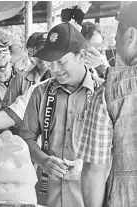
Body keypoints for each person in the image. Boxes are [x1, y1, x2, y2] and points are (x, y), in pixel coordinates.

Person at [19, 22, 104, 207]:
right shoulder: (40, 93)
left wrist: (88, 167)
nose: (54, 69)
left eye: (61, 61)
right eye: (51, 62)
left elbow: (119, 149)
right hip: (48, 197)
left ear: (81, 56)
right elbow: (26, 138)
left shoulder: (104, 94)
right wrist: (43, 160)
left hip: (89, 198)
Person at [77, 2, 137, 207]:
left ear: (131, 36)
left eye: (116, 38)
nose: (116, 46)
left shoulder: (108, 90)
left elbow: (95, 169)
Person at [2, 32, 52, 110]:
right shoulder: (20, 80)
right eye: (30, 54)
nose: (33, 58)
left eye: (41, 51)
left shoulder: (62, 80)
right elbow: (6, 111)